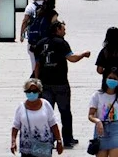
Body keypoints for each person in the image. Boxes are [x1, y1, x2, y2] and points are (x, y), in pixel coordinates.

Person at [34, 20, 91, 148]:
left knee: (46, 113)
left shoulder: (40, 43)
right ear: (57, 30)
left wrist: (37, 82)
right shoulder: (62, 43)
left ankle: (47, 138)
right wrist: (83, 54)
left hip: (45, 84)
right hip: (60, 84)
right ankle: (67, 138)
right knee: (65, 112)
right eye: (63, 29)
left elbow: (37, 65)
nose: (65, 31)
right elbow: (72, 58)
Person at [21, 0, 57, 73]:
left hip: (33, 39)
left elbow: (25, 21)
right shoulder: (48, 7)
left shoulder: (30, 6)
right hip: (46, 39)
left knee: (34, 64)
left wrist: (22, 35)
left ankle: (35, 79)